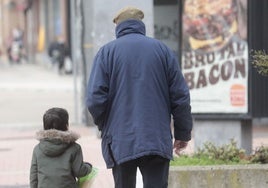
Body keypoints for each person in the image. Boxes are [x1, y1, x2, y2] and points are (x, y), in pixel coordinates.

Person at [86, 6, 193, 188]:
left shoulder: (106, 53)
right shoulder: (163, 51)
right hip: (156, 137)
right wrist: (182, 133)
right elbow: (180, 96)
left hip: (121, 138)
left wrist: (105, 125)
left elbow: (95, 99)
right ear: (140, 25)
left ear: (118, 27)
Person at [30, 107, 92, 188]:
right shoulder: (74, 148)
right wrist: (88, 167)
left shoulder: (38, 149)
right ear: (66, 125)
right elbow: (80, 171)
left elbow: (33, 176)